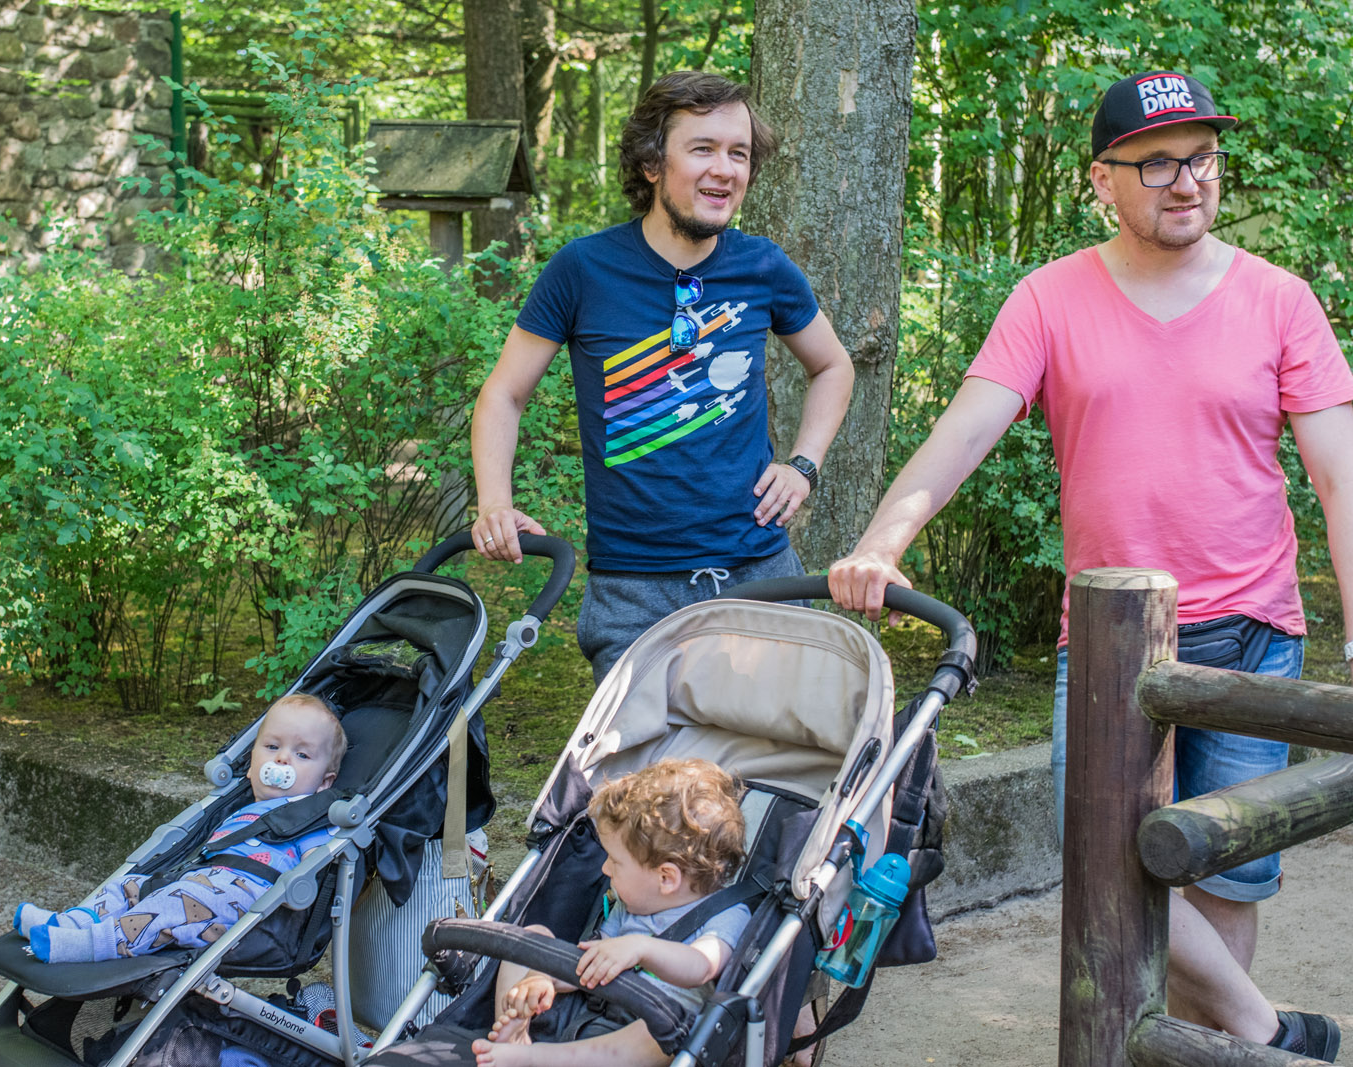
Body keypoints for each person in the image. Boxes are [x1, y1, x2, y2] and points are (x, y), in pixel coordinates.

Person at [827, 70, 1352, 1058]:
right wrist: (881, 540)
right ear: (1101, 180)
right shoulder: (1048, 298)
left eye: (1201, 157)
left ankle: (1228, 1045)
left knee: (1224, 877)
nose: (1186, 179)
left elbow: (1340, 475)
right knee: (1103, 856)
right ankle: (1269, 1031)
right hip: (1111, 645)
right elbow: (962, 433)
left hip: (1253, 634)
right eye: (1156, 163)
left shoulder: (1280, 300)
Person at [470, 70, 855, 683]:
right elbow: (504, 393)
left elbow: (833, 365)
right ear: (652, 163)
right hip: (634, 592)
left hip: (761, 573)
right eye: (703, 149)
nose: (724, 170)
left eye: (739, 153)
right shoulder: (583, 270)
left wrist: (803, 465)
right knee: (642, 752)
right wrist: (495, 502)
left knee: (777, 745)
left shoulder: (763, 267)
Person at [14, 694, 346, 963]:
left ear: (324, 783)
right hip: (196, 883)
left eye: (302, 755)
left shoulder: (312, 819)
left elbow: (315, 866)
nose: (282, 759)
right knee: (128, 885)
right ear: (250, 766)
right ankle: (70, 923)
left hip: (243, 901)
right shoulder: (240, 810)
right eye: (272, 747)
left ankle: (89, 946)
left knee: (171, 907)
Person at [470, 757, 751, 1067]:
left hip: (643, 1034)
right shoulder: (632, 905)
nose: (605, 869)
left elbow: (701, 967)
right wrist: (543, 976)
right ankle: (515, 1031)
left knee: (664, 1038)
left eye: (615, 862)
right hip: (585, 1013)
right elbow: (590, 967)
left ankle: (533, 1059)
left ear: (666, 878)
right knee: (532, 938)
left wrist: (641, 948)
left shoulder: (727, 914)